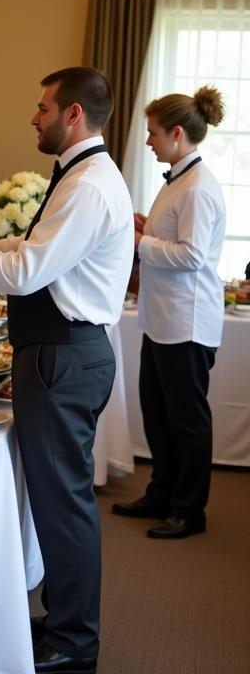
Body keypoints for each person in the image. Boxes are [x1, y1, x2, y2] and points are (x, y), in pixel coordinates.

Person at [0, 67, 133, 674]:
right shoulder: (82, 176)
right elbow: (33, 254)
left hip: (64, 355)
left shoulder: (88, 185)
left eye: (42, 108)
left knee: (64, 502)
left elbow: (30, 274)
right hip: (59, 351)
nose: (33, 118)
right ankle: (65, 619)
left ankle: (75, 639)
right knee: (58, 497)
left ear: (72, 115)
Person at [112, 87, 226, 539]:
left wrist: (141, 242)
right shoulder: (177, 180)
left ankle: (188, 510)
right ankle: (160, 493)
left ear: (177, 133)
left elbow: (194, 256)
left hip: (188, 322)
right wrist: (146, 227)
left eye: (153, 133)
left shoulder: (198, 187)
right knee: (157, 415)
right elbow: (172, 240)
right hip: (161, 320)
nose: (148, 141)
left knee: (188, 423)